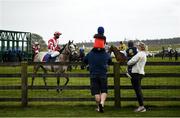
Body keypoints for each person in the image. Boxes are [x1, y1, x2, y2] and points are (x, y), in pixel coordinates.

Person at [83, 26, 112, 113]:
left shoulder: (90, 54)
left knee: (96, 92)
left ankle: (98, 107)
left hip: (93, 74)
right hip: (103, 74)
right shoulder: (106, 54)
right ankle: (102, 103)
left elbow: (84, 60)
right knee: (104, 90)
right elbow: (110, 61)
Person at [127, 42, 147, 112]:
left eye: (138, 46)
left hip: (136, 73)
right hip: (140, 73)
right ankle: (141, 106)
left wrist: (128, 61)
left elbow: (130, 62)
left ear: (140, 47)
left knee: (137, 90)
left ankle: (141, 106)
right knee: (138, 90)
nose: (137, 47)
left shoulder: (139, 54)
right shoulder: (144, 54)